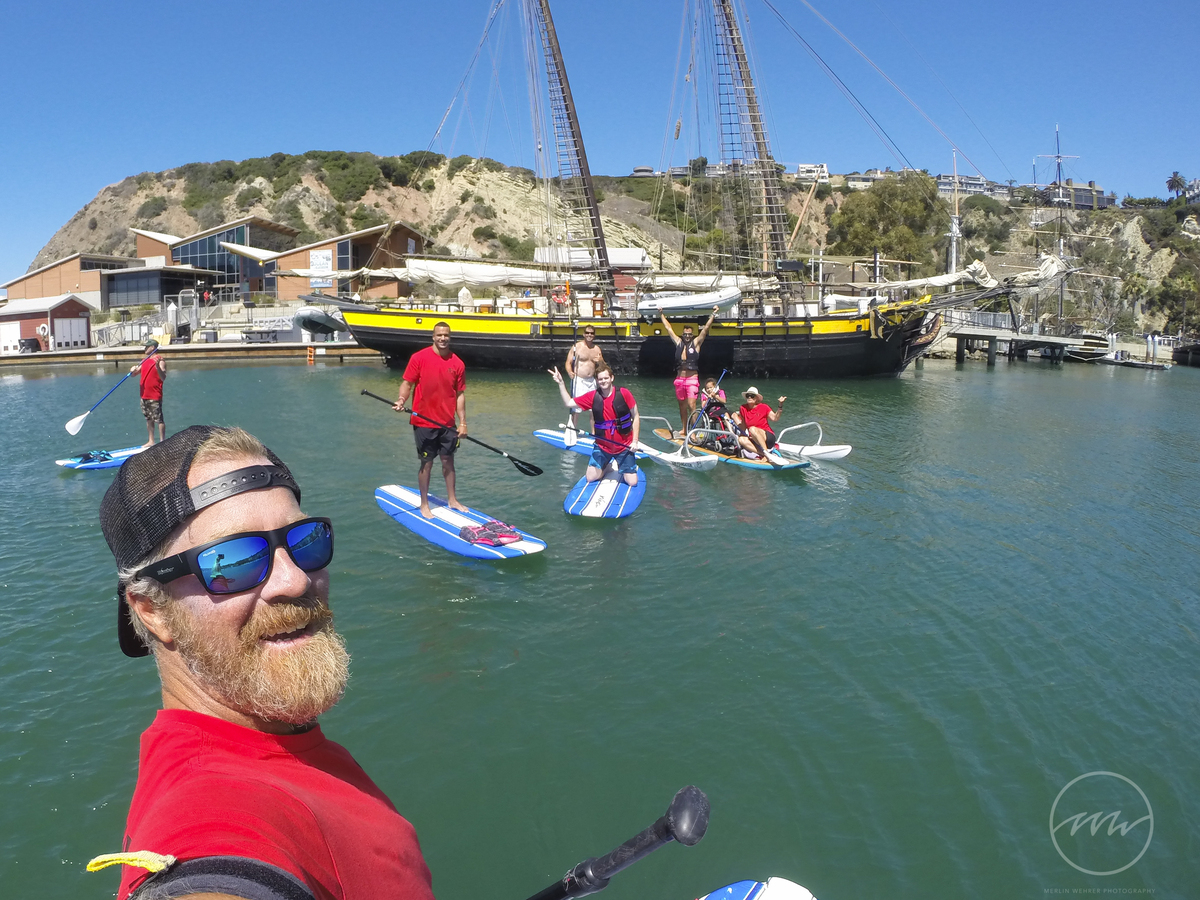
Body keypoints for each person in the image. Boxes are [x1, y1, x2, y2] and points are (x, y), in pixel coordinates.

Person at [91, 425, 435, 900]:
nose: (295, 581)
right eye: (232, 560)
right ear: (152, 611)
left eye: (305, 541)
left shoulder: (281, 746)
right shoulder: (208, 806)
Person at [393, 322, 468, 518]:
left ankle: (452, 499)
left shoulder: (457, 363)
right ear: (433, 337)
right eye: (439, 335)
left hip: (447, 424)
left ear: (450, 337)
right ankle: (424, 504)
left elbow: (460, 395)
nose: (443, 338)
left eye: (446, 335)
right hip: (423, 422)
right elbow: (407, 383)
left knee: (448, 462)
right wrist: (402, 400)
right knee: (427, 463)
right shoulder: (419, 358)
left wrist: (463, 423)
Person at [548, 363, 640, 487]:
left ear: (611, 378)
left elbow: (636, 416)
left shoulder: (624, 393)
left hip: (623, 446)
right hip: (602, 447)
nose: (603, 381)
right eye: (600, 379)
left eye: (606, 378)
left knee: (632, 482)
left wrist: (635, 441)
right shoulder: (592, 396)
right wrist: (561, 383)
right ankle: (606, 467)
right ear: (597, 381)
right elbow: (569, 403)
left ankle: (624, 465)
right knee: (590, 478)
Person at [659, 306, 719, 435]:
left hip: (692, 379)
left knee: (692, 405)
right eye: (685, 334)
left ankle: (695, 430)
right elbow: (669, 328)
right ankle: (684, 430)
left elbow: (706, 329)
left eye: (689, 334)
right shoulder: (678, 342)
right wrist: (661, 314)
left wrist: (713, 314)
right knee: (682, 406)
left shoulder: (696, 343)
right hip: (680, 380)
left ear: (692, 335)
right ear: (683, 334)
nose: (687, 336)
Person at [563, 325, 607, 440]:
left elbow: (603, 366)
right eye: (587, 333)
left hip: (591, 382)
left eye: (592, 333)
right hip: (579, 381)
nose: (589, 335)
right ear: (583, 334)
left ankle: (594, 434)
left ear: (594, 335)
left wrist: (600, 361)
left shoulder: (597, 349)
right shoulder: (576, 347)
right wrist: (570, 372)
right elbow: (568, 362)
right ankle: (572, 431)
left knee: (594, 409)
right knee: (576, 408)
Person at [734, 386, 787, 465]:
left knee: (752, 429)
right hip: (755, 438)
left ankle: (766, 454)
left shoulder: (764, 407)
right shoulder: (743, 408)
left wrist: (780, 405)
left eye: (752, 396)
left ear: (757, 398)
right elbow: (744, 426)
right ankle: (763, 454)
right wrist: (735, 418)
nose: (749, 397)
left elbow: (775, 418)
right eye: (748, 396)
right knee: (741, 439)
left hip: (767, 437)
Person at [131, 339, 166, 447]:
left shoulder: (160, 360)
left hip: (154, 395)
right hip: (144, 395)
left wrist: (157, 368)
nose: (145, 349)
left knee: (159, 419)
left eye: (147, 347)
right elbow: (134, 374)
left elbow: (163, 377)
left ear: (152, 348)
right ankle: (151, 441)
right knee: (148, 418)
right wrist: (132, 370)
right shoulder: (144, 360)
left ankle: (162, 442)